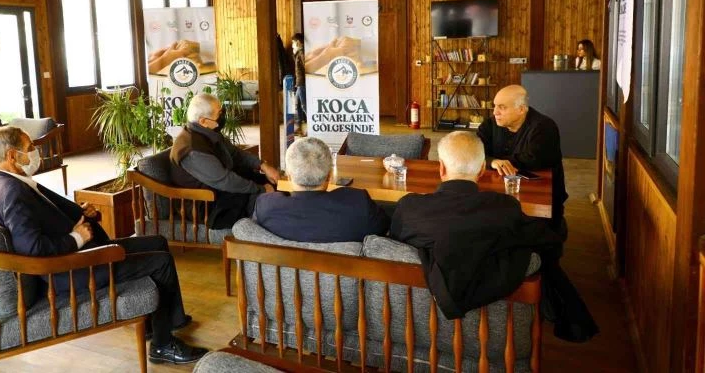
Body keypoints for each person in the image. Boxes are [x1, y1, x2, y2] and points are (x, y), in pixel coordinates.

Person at [0, 126, 207, 365]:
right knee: (160, 262)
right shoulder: (11, 192)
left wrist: (80, 213)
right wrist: (77, 238)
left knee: (158, 242)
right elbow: (32, 248)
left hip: (79, 255)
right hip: (72, 268)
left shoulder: (3, 181)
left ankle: (163, 322)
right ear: (11, 155)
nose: (35, 153)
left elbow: (44, 219)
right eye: (29, 148)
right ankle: (162, 346)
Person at [390, 131, 598, 342]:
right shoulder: (505, 208)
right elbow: (547, 242)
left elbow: (395, 244)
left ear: (441, 168)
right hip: (498, 340)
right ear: (482, 169)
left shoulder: (408, 209)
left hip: (416, 332)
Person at [170, 93, 281, 229]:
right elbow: (225, 181)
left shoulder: (209, 132)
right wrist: (260, 189)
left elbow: (236, 154)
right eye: (219, 113)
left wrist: (263, 165)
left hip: (220, 189)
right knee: (262, 194)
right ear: (203, 121)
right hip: (206, 202)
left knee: (272, 182)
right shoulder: (193, 150)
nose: (223, 116)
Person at [253, 137, 389, 242]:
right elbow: (383, 229)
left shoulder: (265, 206)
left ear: (289, 176)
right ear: (329, 176)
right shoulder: (359, 204)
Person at [477, 85, 568, 228]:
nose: (495, 112)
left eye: (502, 107)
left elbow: (533, 160)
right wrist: (493, 161)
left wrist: (493, 160)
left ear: (521, 109)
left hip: (541, 199)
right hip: (502, 195)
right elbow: (475, 150)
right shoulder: (490, 124)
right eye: (495, 106)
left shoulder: (544, 127)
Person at [292, 33, 307, 135]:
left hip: (302, 84)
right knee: (297, 105)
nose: (292, 45)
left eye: (293, 42)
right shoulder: (299, 53)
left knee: (304, 106)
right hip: (299, 84)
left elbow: (306, 67)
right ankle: (299, 128)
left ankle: (311, 127)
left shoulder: (302, 53)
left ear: (298, 42)